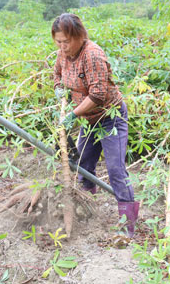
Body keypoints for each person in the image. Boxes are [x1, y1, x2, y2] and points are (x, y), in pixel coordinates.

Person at [52, 13, 140, 237]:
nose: (63, 46)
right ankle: (87, 207)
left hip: (110, 118)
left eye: (67, 41)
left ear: (80, 36)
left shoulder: (93, 55)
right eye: (58, 41)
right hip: (89, 120)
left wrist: (72, 114)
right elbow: (57, 73)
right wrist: (59, 88)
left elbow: (99, 94)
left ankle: (128, 225)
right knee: (83, 163)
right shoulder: (63, 54)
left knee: (115, 169)